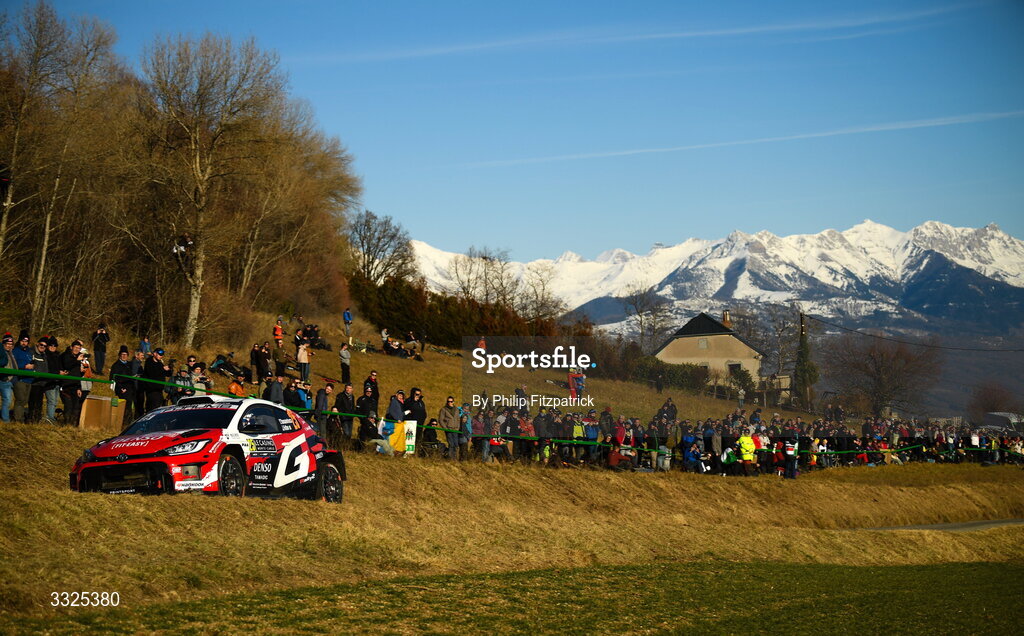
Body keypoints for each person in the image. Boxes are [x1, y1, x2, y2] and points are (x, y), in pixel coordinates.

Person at [58, 340, 86, 426]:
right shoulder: (65, 355)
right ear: (71, 347)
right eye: (76, 347)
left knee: (75, 407)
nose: (77, 349)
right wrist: (77, 361)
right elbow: (67, 366)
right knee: (68, 406)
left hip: (75, 385)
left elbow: (77, 374)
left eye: (79, 348)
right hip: (66, 385)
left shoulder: (78, 358)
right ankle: (66, 424)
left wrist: (79, 387)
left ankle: (72, 425)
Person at [109, 346, 135, 426]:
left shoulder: (129, 364)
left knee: (129, 406)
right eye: (122, 354)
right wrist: (121, 388)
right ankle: (123, 423)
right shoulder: (116, 365)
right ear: (119, 355)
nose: (124, 356)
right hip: (122, 389)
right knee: (124, 407)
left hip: (130, 388)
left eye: (126, 354)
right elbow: (114, 378)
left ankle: (128, 423)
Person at [26, 336, 50, 422]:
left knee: (39, 403)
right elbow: (30, 365)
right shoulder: (31, 352)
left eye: (45, 346)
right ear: (37, 344)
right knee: (32, 402)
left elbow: (45, 368)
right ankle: (30, 419)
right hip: (34, 382)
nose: (43, 347)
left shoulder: (44, 355)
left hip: (42, 383)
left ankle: (36, 419)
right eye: (41, 344)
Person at [11, 332, 34, 422]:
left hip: (29, 379)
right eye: (23, 341)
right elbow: (14, 363)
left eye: (26, 341)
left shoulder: (29, 351)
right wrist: (24, 366)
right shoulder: (15, 351)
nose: (24, 343)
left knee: (25, 400)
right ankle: (18, 419)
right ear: (20, 341)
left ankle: (20, 416)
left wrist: (33, 366)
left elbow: (32, 361)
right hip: (20, 379)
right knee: (20, 399)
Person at [142, 348, 171, 413]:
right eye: (159, 354)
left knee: (159, 407)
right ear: (154, 353)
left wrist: (170, 369)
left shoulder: (160, 363)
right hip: (152, 390)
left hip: (159, 390)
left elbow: (168, 374)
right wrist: (163, 369)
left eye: (162, 355)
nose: (161, 356)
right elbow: (152, 373)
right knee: (152, 408)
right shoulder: (149, 361)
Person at [333, 383, 356, 449]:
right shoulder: (340, 395)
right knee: (346, 433)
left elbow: (352, 406)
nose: (348, 389)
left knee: (350, 434)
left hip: (350, 417)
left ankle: (347, 446)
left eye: (350, 388)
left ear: (352, 389)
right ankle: (342, 446)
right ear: (345, 388)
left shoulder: (352, 396)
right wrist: (341, 413)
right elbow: (337, 405)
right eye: (347, 388)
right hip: (344, 417)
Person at [438, 396, 460, 460]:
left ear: (453, 402)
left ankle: (455, 458)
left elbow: (458, 419)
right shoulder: (443, 409)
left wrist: (458, 427)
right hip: (449, 429)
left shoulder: (456, 409)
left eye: (451, 401)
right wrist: (445, 428)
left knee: (456, 444)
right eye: (448, 401)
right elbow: (440, 420)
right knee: (451, 444)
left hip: (455, 429)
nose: (449, 402)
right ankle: (450, 458)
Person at [0, 334, 15, 422]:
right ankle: (5, 419)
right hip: (3, 379)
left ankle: (5, 419)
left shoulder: (11, 353)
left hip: (8, 380)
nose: (9, 346)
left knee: (8, 400)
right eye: (7, 344)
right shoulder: (3, 352)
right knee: (7, 400)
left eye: (11, 344)